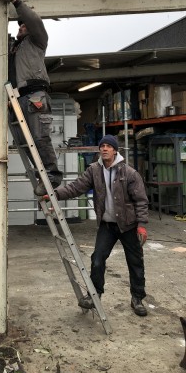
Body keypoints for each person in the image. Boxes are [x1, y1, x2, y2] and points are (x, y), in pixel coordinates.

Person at [55, 134, 149, 316]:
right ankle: (94, 294)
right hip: (107, 226)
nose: (104, 149)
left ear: (115, 150)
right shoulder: (94, 171)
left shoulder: (129, 173)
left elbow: (141, 200)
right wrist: (54, 194)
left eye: (108, 146)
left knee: (135, 262)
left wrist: (142, 224)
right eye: (102, 146)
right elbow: (76, 187)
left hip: (128, 225)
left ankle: (137, 298)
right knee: (97, 260)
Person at [0, 0, 62, 195]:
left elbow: (35, 21)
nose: (21, 27)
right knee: (23, 140)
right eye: (18, 24)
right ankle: (42, 173)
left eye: (23, 25)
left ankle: (52, 175)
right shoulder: (13, 47)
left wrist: (16, 3)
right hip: (17, 99)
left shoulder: (37, 41)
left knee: (39, 137)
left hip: (35, 96)